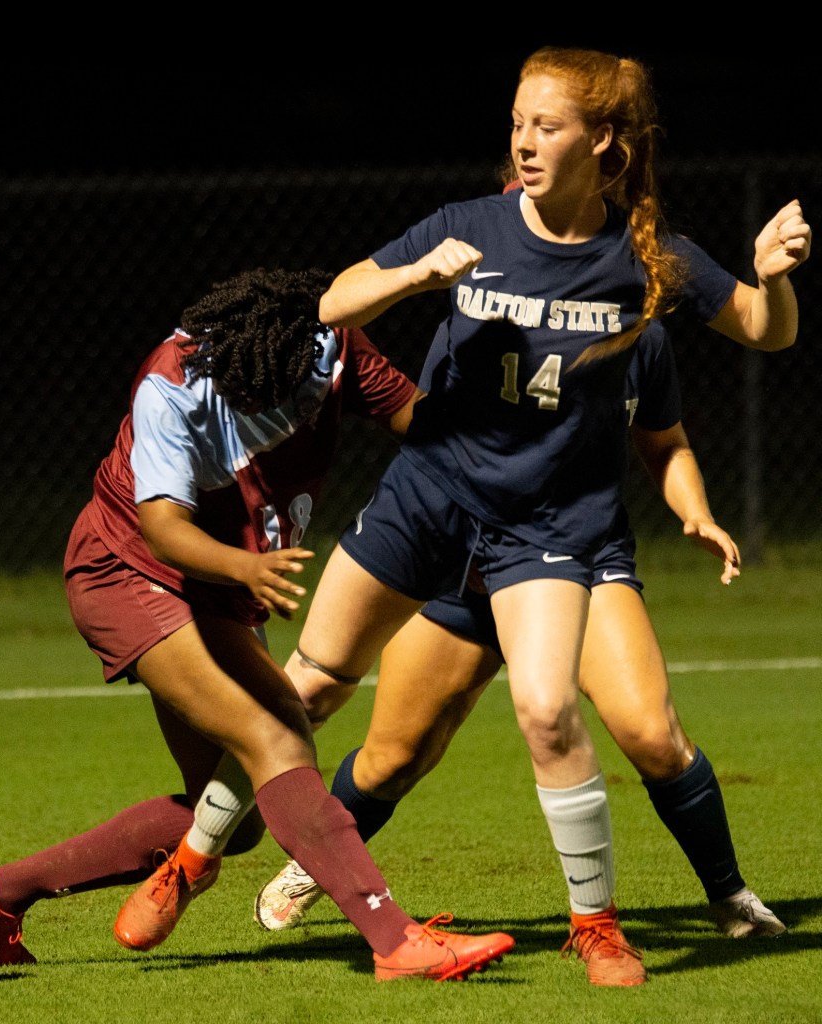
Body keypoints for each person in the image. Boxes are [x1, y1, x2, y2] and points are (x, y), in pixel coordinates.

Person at [151, 47, 811, 988]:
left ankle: (611, 922)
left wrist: (771, 274)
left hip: (551, 534)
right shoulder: (471, 225)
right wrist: (417, 274)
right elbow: (334, 301)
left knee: (558, 713)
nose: (525, 142)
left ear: (604, 142)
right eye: (517, 124)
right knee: (328, 698)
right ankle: (197, 859)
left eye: (547, 126)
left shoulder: (644, 261)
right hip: (433, 509)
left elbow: (761, 330)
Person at [0, 266, 516, 982]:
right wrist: (245, 569)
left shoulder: (327, 348)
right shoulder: (173, 387)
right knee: (277, 735)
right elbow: (162, 529)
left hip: (220, 588)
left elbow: (418, 420)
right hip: (131, 573)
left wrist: (507, 454)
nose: (285, 418)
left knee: (234, 819)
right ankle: (395, 940)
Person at [253, 317, 786, 953]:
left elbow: (664, 440)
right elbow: (429, 437)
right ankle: (313, 864)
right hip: (468, 554)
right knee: (392, 757)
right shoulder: (483, 308)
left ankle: (729, 892)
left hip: (576, 551)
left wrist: (695, 512)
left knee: (651, 732)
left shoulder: (637, 330)